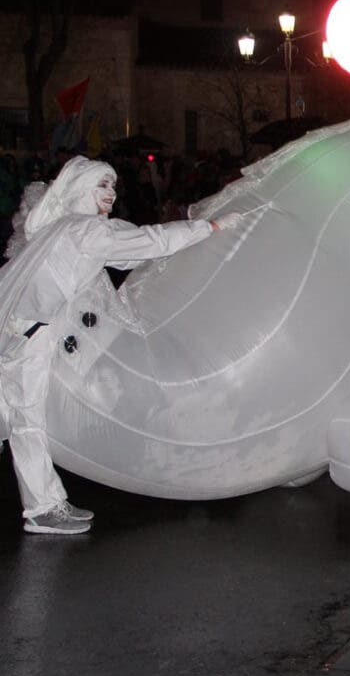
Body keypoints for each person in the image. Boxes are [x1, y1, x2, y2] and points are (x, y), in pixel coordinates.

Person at [0, 155, 242, 535]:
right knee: (27, 420)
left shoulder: (72, 228)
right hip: (27, 338)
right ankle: (41, 509)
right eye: (102, 185)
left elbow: (131, 251)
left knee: (24, 416)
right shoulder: (83, 230)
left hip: (29, 333)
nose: (111, 192)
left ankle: (47, 503)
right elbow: (148, 241)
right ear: (80, 188)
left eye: (113, 185)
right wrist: (208, 228)